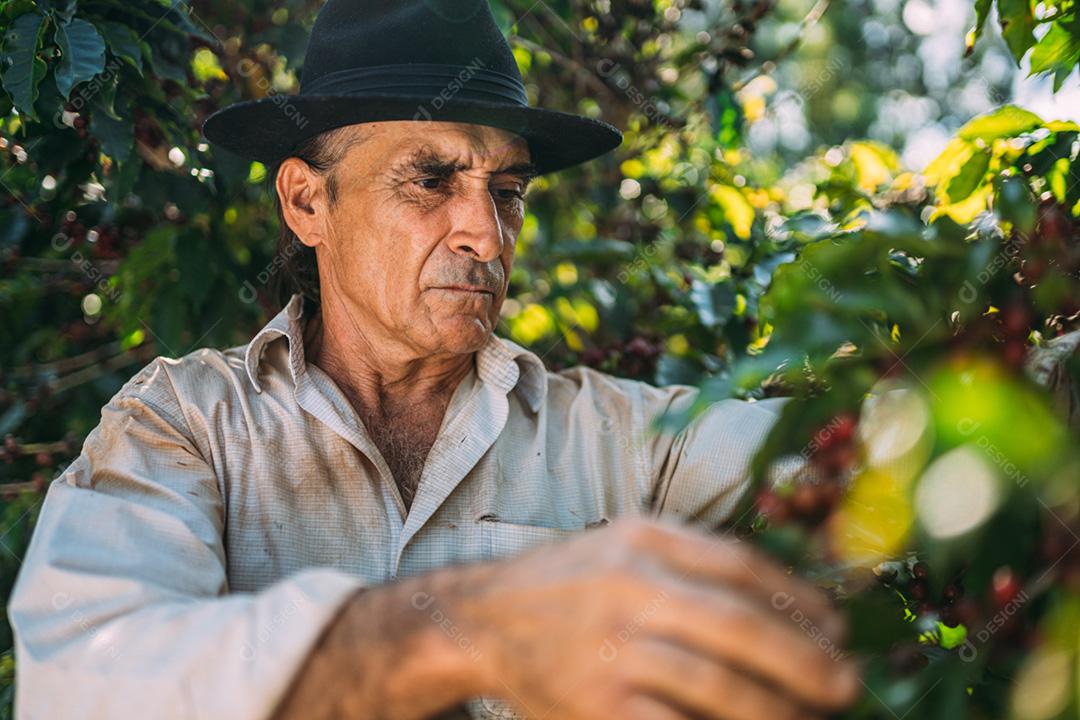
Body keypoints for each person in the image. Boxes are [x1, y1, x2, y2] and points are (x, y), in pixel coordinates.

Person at [8, 1, 861, 718]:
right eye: (430, 181)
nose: (486, 235)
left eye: (509, 191)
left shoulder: (617, 437)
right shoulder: (189, 426)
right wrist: (468, 629)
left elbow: (864, 463)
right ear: (308, 200)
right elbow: (81, 678)